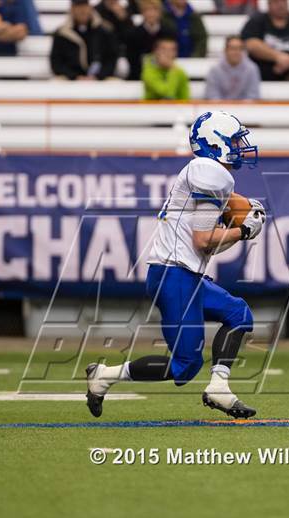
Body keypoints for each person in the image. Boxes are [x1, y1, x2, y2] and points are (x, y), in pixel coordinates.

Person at [85, 111, 266, 419]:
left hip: (184, 273)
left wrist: (241, 221)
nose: (240, 147)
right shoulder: (210, 171)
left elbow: (209, 237)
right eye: (234, 140)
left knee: (238, 314)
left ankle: (219, 388)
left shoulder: (209, 173)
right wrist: (244, 230)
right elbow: (203, 239)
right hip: (174, 274)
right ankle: (103, 376)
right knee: (185, 366)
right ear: (215, 142)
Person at [241, 0, 289, 81]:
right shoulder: (256, 22)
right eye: (276, 2)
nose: (281, 5)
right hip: (259, 75)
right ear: (269, 4)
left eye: (283, 2)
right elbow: (250, 44)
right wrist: (278, 57)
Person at [50, 0, 118, 81]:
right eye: (78, 7)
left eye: (85, 6)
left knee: (117, 84)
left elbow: (111, 59)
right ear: (72, 9)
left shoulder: (104, 31)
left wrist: (98, 76)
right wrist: (75, 77)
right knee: (55, 83)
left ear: (90, 8)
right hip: (70, 79)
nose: (82, 10)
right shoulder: (62, 33)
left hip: (100, 79)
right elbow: (57, 63)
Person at [127, 0, 176, 80]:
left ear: (160, 12)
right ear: (142, 12)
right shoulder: (133, 34)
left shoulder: (168, 32)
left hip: (164, 76)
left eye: (154, 10)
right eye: (147, 10)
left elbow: (171, 56)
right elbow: (132, 60)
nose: (151, 14)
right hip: (139, 77)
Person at [205, 35, 261, 99]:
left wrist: (241, 108)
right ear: (225, 50)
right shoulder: (215, 70)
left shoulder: (251, 69)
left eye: (240, 49)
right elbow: (212, 96)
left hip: (245, 108)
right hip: (219, 108)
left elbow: (252, 96)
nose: (236, 52)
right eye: (232, 48)